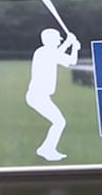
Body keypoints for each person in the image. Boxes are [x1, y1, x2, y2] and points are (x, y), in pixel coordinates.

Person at [26, 26, 80, 161]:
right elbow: (70, 60)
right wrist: (73, 46)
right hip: (37, 96)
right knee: (59, 122)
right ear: (51, 40)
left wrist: (70, 44)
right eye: (58, 40)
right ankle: (46, 150)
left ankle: (46, 149)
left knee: (59, 122)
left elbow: (60, 56)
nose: (59, 42)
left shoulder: (45, 52)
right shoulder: (46, 52)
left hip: (40, 96)